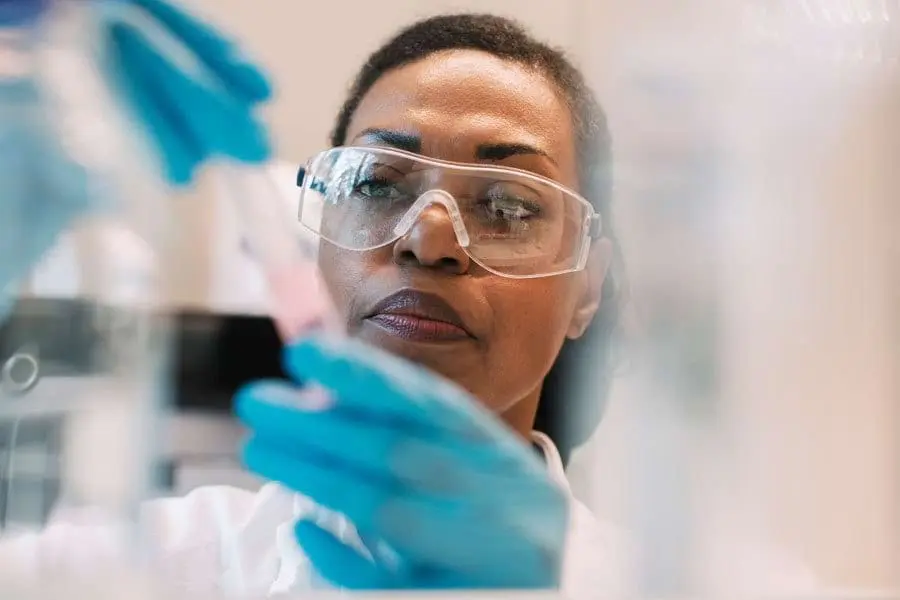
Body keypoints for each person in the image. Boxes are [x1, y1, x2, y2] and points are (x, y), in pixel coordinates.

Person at [0, 5, 815, 597]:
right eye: (379, 183)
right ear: (313, 241)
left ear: (587, 288)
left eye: (507, 203)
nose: (429, 240)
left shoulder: (702, 583)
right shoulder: (145, 568)